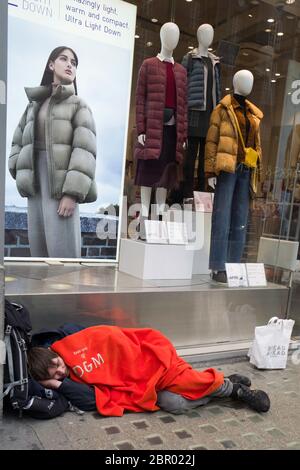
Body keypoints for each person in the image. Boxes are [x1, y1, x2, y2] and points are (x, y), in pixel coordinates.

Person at [28, 324, 270, 416]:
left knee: (187, 381)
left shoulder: (73, 342)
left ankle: (235, 390)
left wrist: (142, 368)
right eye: (55, 376)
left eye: (58, 364)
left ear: (55, 353)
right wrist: (59, 384)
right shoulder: (69, 383)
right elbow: (93, 401)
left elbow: (114, 339)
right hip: (143, 390)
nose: (61, 371)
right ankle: (221, 382)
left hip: (152, 363)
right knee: (175, 405)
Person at [9, 46, 97, 258]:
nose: (69, 65)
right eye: (64, 59)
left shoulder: (79, 105)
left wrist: (72, 193)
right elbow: (18, 141)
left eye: (74, 63)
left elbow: (85, 150)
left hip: (61, 187)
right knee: (38, 254)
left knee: (62, 256)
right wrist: (18, 172)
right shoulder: (34, 105)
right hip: (35, 186)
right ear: (51, 65)